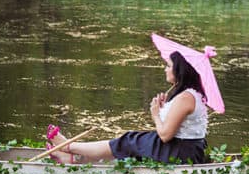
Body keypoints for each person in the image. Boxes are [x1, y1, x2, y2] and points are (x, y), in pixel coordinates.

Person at [47, 51, 209, 164]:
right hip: (181, 149)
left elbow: (165, 135)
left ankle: (68, 147)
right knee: (129, 142)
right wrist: (163, 109)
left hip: (179, 153)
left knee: (128, 141)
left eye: (168, 65)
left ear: (179, 70)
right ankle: (74, 158)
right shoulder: (188, 95)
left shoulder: (185, 97)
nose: (165, 69)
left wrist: (155, 114)